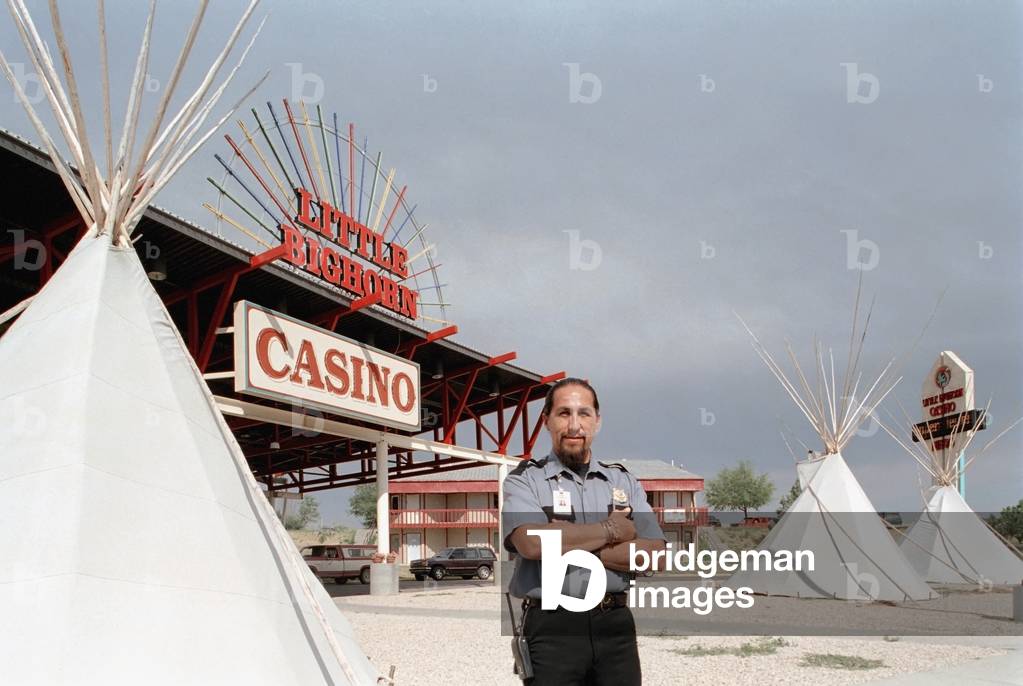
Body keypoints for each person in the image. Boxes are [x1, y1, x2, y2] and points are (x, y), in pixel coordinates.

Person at [502, 377, 666, 685]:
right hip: (552, 626)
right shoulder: (524, 480)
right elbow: (531, 544)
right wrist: (611, 529)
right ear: (546, 421)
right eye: (564, 413)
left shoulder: (623, 482)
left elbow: (654, 555)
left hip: (614, 625)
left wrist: (566, 539)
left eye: (584, 413)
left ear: (597, 421)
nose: (574, 425)